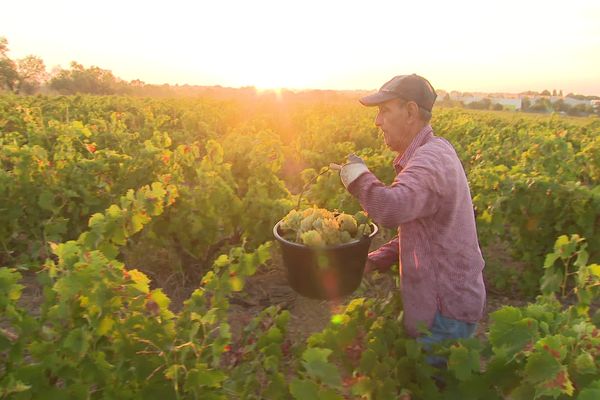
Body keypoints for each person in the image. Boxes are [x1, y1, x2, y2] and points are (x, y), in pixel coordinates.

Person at [332, 74, 486, 354]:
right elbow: (423, 232)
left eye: (384, 111)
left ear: (411, 111)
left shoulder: (431, 160)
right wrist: (375, 261)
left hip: (444, 315)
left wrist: (357, 176)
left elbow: (391, 208)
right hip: (445, 311)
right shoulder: (430, 154)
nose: (377, 121)